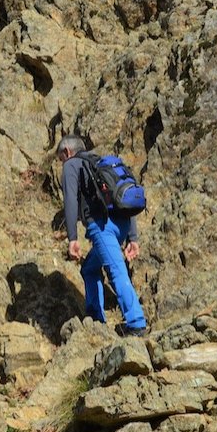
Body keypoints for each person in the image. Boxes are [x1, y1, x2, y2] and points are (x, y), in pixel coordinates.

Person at [56, 135, 148, 336]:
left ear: (67, 152)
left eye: (61, 158)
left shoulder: (71, 165)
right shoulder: (101, 162)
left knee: (116, 271)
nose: (62, 163)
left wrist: (72, 238)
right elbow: (123, 192)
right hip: (122, 223)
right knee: (90, 268)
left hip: (102, 227)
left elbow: (70, 201)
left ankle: (136, 323)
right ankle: (95, 317)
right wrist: (132, 237)